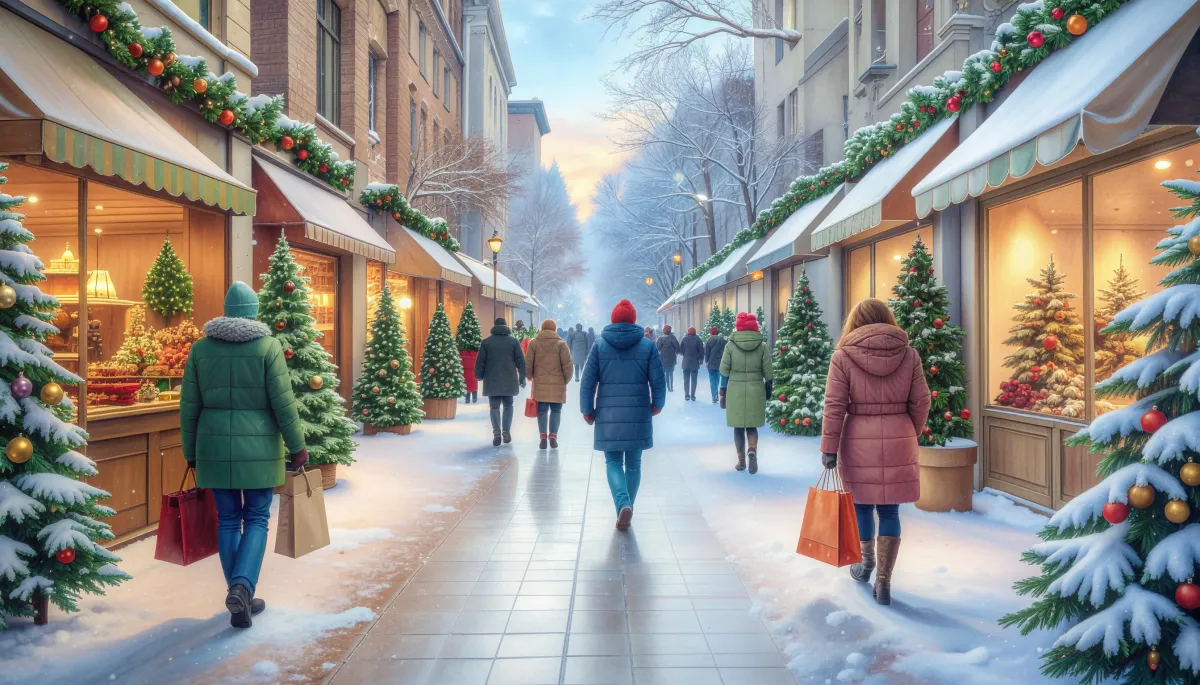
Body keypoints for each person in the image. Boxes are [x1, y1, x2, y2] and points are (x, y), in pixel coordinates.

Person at [180, 282, 307, 629]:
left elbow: (189, 407)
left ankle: (241, 596)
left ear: (225, 311)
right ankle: (242, 588)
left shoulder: (200, 350)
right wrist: (297, 447)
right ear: (254, 312)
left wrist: (190, 451)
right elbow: (284, 403)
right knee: (256, 519)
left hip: (213, 447)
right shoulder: (269, 347)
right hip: (259, 448)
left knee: (227, 520)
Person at [821, 298, 930, 606]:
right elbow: (921, 401)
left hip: (857, 438)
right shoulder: (909, 355)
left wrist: (829, 447)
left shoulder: (842, 356)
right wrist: (911, 431)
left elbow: (834, 406)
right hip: (899, 436)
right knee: (890, 510)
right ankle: (884, 581)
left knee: (863, 506)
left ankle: (865, 562)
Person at [581, 299, 666, 530]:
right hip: (638, 412)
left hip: (608, 414)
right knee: (634, 463)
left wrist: (587, 410)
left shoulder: (599, 346)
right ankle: (627, 506)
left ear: (612, 320)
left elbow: (588, 382)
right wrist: (658, 404)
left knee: (613, 461)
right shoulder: (647, 346)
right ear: (634, 320)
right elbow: (658, 380)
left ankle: (622, 504)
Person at [720, 312, 773, 474]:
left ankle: (741, 461)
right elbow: (768, 371)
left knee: (738, 427)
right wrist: (768, 387)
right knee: (751, 425)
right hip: (755, 388)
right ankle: (752, 449)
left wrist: (723, 389)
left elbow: (723, 369)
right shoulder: (762, 346)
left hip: (735, 389)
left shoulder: (730, 344)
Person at [475, 317, 527, 446]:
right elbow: (521, 362)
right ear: (506, 326)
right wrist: (522, 378)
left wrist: (479, 375)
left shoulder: (486, 342)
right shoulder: (513, 342)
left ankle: (497, 432)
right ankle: (506, 431)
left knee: (494, 407)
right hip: (509, 379)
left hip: (491, 379)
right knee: (508, 406)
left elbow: (480, 362)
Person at [526, 319, 573, 449]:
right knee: (556, 411)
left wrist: (529, 375)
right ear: (554, 329)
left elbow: (528, 363)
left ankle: (542, 437)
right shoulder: (561, 344)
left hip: (540, 383)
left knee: (542, 411)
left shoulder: (534, 343)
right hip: (558, 384)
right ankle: (553, 436)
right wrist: (565, 380)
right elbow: (568, 365)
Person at [703, 326, 728, 404]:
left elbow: (706, 353)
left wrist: (706, 362)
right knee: (719, 379)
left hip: (711, 363)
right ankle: (721, 395)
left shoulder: (709, 340)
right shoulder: (722, 340)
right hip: (720, 363)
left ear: (711, 333)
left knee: (712, 380)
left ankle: (714, 396)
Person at [679, 327, 704, 401]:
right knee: (694, 379)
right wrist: (700, 359)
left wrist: (685, 353)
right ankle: (693, 395)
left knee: (686, 379)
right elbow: (701, 350)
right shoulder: (698, 339)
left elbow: (680, 350)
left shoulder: (684, 339)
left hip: (686, 362)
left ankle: (687, 395)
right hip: (695, 362)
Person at [656, 325, 681, 392]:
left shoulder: (660, 338)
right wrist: (677, 352)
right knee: (670, 373)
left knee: (664, 373)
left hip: (663, 358)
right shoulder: (672, 337)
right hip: (671, 358)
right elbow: (677, 346)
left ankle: (664, 386)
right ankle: (671, 387)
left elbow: (658, 348)